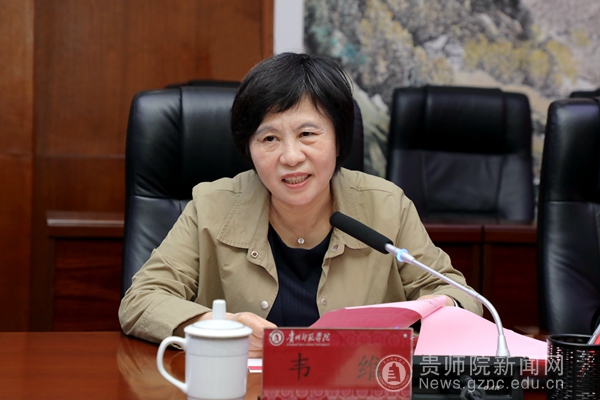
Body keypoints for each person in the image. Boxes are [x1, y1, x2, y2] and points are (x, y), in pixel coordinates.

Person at [118, 52, 483, 357]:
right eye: (269, 139)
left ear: (339, 140)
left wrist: (424, 323)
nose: (291, 157)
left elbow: (460, 297)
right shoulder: (211, 206)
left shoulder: (387, 206)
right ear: (249, 149)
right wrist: (221, 327)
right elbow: (141, 301)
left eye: (307, 134)